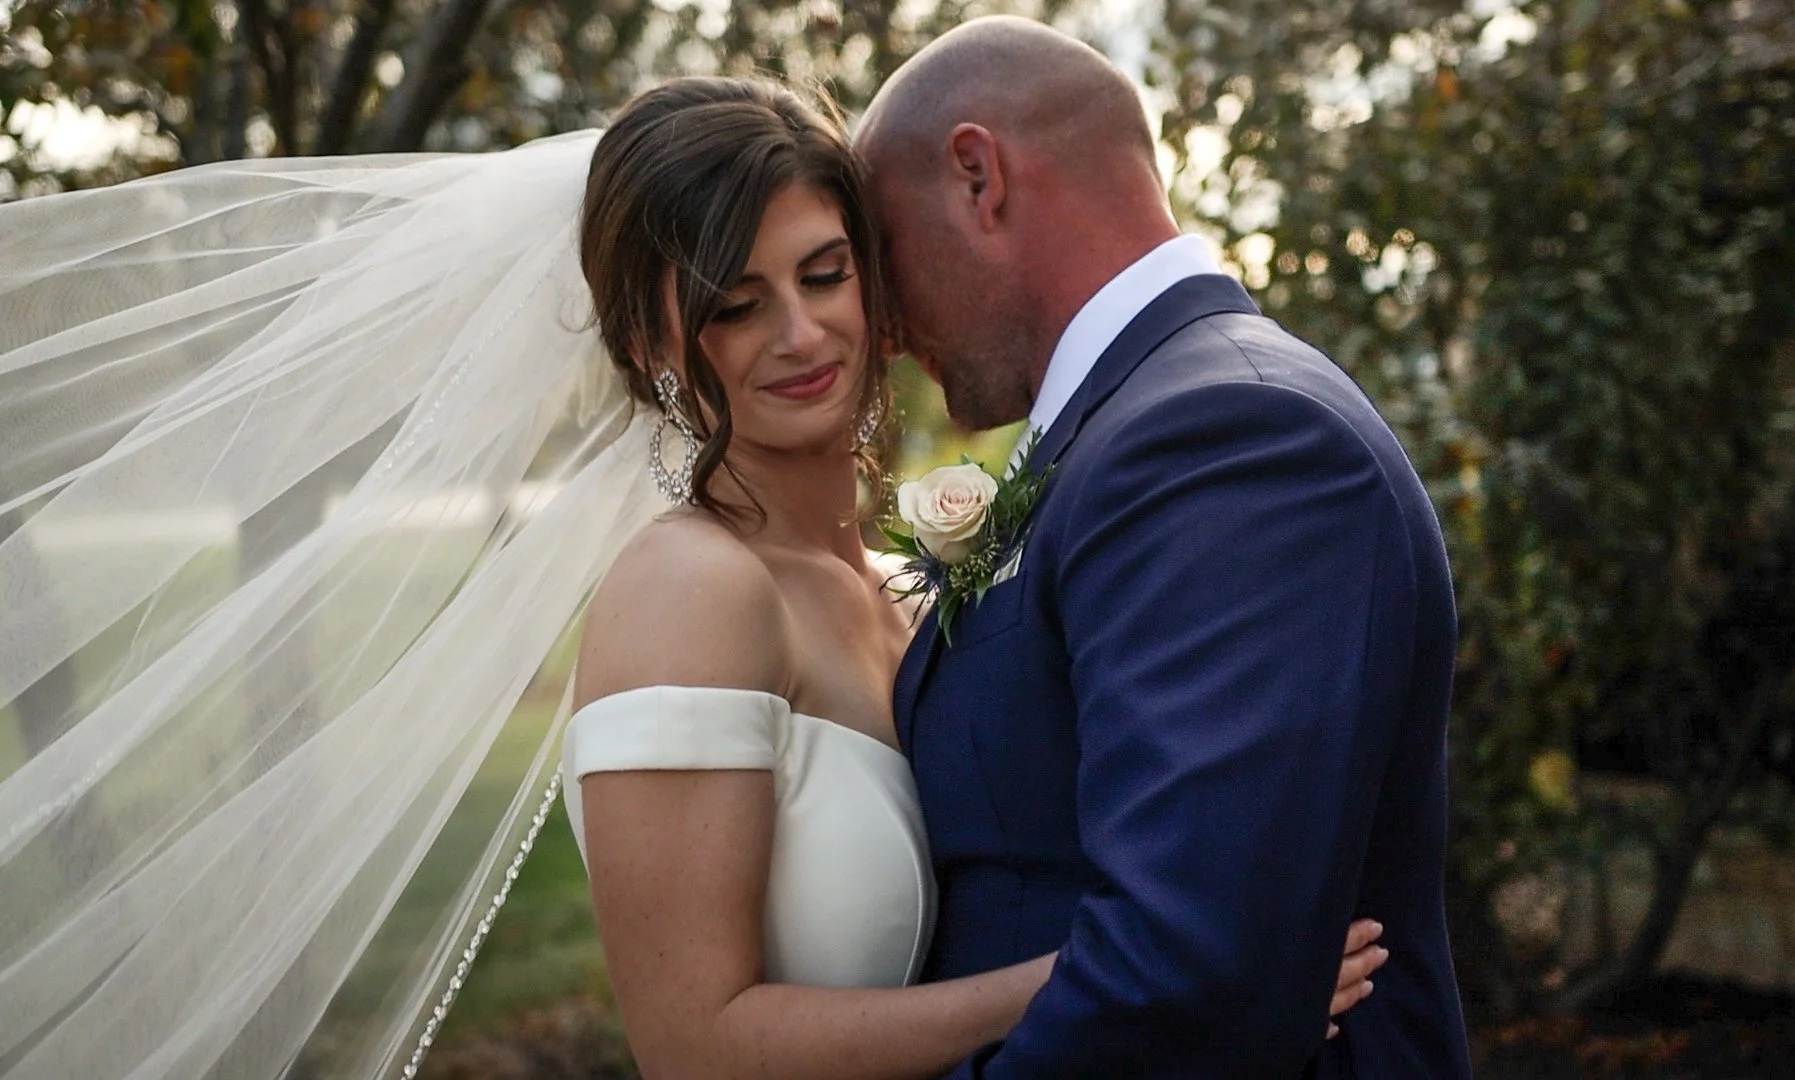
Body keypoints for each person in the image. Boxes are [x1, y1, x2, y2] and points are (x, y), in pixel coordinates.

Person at [0, 73, 1384, 1078]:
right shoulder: (688, 589)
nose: (801, 334)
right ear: (658, 341)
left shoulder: (898, 572)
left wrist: (1226, 962)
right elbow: (695, 1041)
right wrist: (1102, 989)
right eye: (733, 302)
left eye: (827, 272)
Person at [857, 17, 1474, 1078]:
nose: (882, 324)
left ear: (976, 176)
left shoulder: (1230, 439)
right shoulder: (1133, 425)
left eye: (881, 253)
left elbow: (1186, 972)